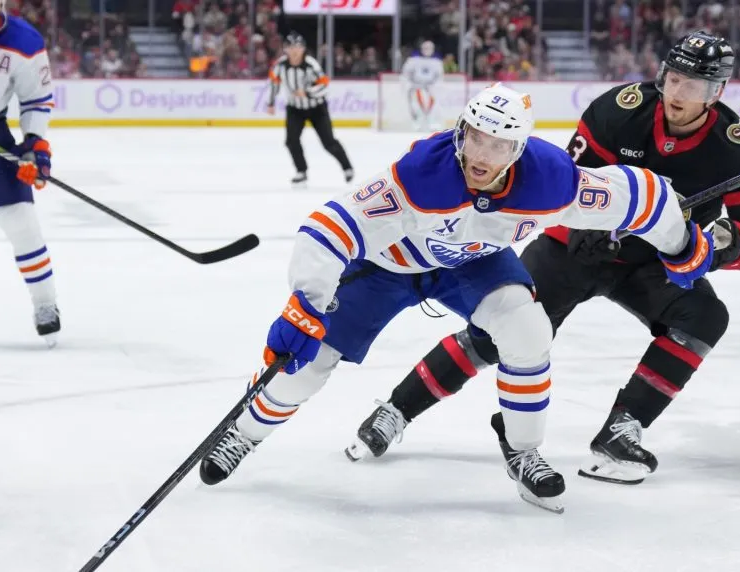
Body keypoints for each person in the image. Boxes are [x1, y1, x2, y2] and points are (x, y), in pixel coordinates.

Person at [199, 82, 708, 513]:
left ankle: (523, 451)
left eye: (499, 145)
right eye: (476, 137)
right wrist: (304, 305)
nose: (482, 156)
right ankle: (242, 432)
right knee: (308, 362)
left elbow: (642, 198)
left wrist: (683, 244)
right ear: (461, 131)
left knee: (528, 331)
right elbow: (331, 227)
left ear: (520, 149)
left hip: (469, 264)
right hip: (387, 267)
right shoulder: (423, 175)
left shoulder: (551, 181)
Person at [346, 31, 740, 486]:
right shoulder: (621, 111)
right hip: (575, 247)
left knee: (705, 316)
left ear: (717, 93)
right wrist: (583, 229)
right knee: (501, 333)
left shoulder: (737, 149)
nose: (677, 93)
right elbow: (563, 187)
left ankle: (621, 430)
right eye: (673, 79)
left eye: (692, 86)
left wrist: (719, 248)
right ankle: (396, 409)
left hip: (654, 262)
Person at [0, 0, 59, 346]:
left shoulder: (23, 40)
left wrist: (33, 146)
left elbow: (36, 99)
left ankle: (46, 305)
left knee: (22, 221)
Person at [266, 31, 354, 186]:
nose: (294, 50)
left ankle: (347, 167)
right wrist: (271, 102)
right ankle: (301, 171)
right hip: (294, 108)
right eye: (290, 47)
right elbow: (274, 83)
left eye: (298, 47)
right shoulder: (280, 65)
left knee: (328, 142)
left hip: (317, 108)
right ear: (285, 49)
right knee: (291, 141)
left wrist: (307, 92)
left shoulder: (311, 64)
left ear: (303, 49)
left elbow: (325, 85)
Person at [400, 40, 444, 130]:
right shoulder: (413, 60)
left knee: (433, 102)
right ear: (421, 48)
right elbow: (405, 74)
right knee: (416, 104)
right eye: (425, 48)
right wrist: (410, 84)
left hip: (430, 87)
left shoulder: (437, 62)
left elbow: (439, 77)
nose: (427, 50)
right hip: (416, 87)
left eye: (429, 48)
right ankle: (417, 122)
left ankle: (432, 121)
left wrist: (434, 86)